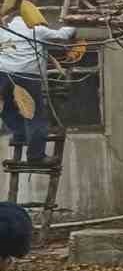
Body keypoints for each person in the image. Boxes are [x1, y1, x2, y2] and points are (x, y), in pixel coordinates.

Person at [0, 10, 75, 162]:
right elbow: (62, 35)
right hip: (28, 76)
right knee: (35, 116)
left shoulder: (4, 31)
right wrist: (72, 27)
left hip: (3, 74)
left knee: (6, 108)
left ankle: (20, 132)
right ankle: (36, 155)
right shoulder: (37, 30)